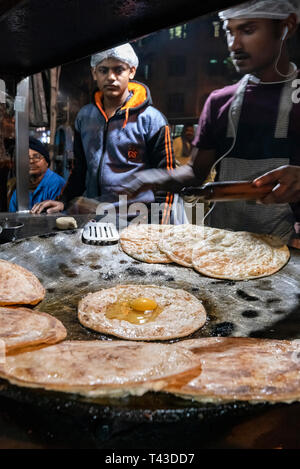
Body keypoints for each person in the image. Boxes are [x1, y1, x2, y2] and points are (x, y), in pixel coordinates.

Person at [117, 0, 300, 244]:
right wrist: (149, 178)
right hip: (222, 241)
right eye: (229, 31)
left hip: (285, 245)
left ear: (287, 26)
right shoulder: (220, 102)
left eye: (248, 30)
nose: (234, 45)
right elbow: (195, 172)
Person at [31, 43, 175, 224]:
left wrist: (159, 225)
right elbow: (80, 170)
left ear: (131, 71)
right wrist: (64, 202)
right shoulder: (84, 117)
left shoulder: (152, 120)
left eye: (118, 70)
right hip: (94, 217)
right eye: (104, 70)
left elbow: (166, 179)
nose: (111, 77)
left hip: (137, 220)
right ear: (94, 73)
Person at [9, 137, 65, 212]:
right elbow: (13, 219)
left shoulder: (56, 184)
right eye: (27, 158)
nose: (31, 161)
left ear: (47, 162)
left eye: (36, 157)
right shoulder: (19, 190)